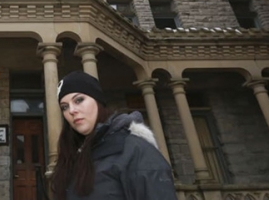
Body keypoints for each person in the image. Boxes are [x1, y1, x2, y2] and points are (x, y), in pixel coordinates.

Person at [52, 70, 177, 200]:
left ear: (97, 101)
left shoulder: (136, 150)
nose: (72, 110)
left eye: (79, 100)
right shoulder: (71, 157)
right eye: (64, 107)